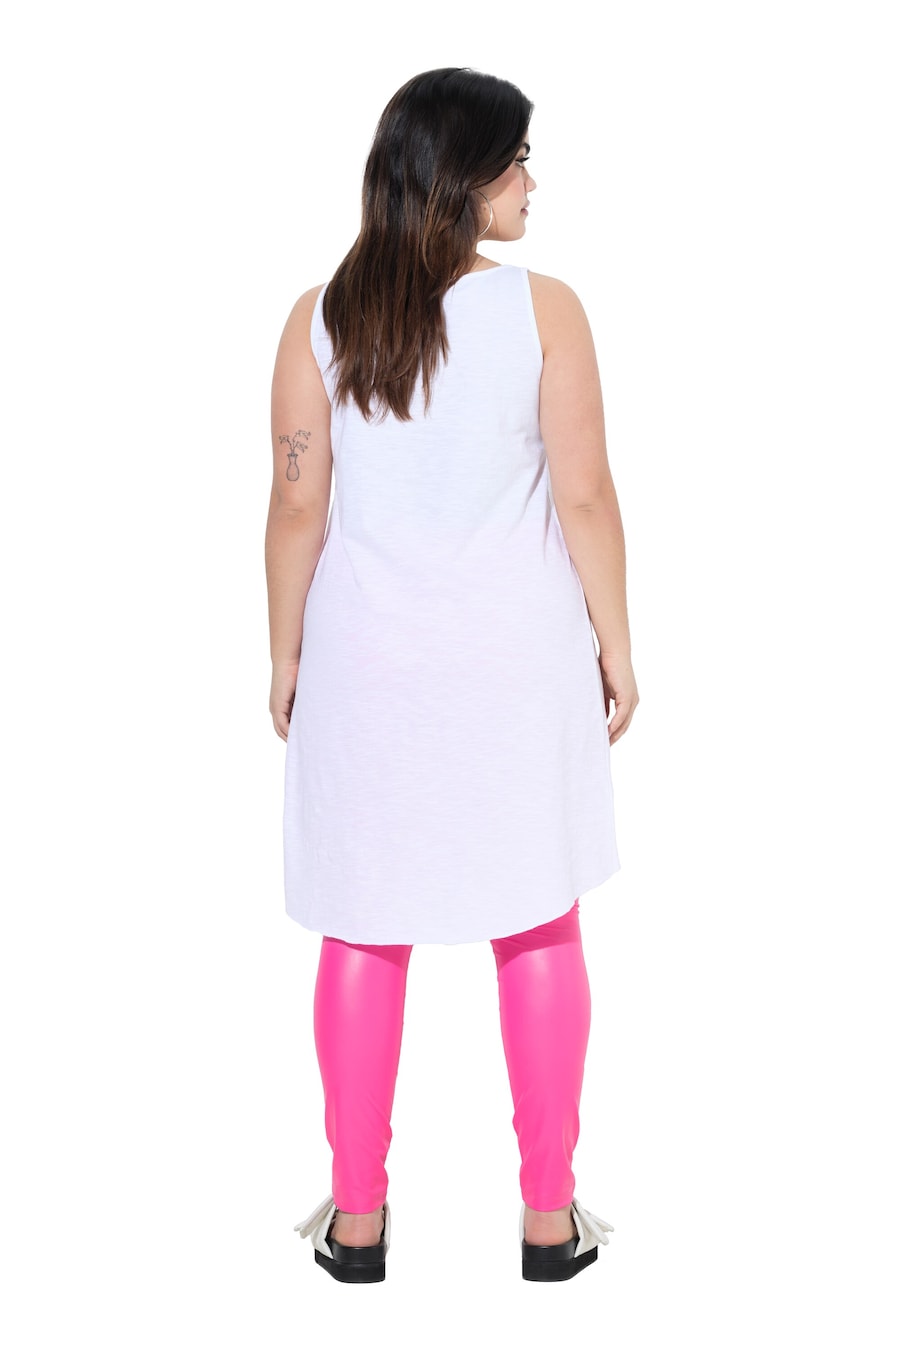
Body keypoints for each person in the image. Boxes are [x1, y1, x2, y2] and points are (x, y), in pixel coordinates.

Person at [265, 67, 638, 1284]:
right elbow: (585, 495)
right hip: (516, 667)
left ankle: (357, 1222)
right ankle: (549, 1220)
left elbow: (295, 502)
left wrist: (285, 651)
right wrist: (617, 643)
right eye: (517, 158)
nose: (532, 180)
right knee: (538, 916)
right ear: (465, 177)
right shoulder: (546, 311)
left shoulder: (322, 319)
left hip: (368, 668)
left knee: (364, 926)